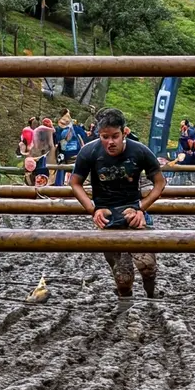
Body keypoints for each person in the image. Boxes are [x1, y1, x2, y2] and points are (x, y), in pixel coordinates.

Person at [69, 107, 167, 299]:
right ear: (99, 134)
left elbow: (160, 182)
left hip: (134, 212)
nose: (110, 142)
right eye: (105, 137)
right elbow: (74, 182)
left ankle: (151, 293)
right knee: (123, 277)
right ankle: (125, 298)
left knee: (147, 266)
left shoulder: (139, 151)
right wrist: (93, 209)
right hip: (107, 217)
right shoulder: (89, 152)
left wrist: (140, 208)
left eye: (115, 136)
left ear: (125, 132)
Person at [29, 117, 56, 186]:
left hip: (36, 155)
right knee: (46, 173)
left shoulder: (36, 130)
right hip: (46, 155)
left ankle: (36, 187)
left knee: (37, 173)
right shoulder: (50, 131)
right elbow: (51, 144)